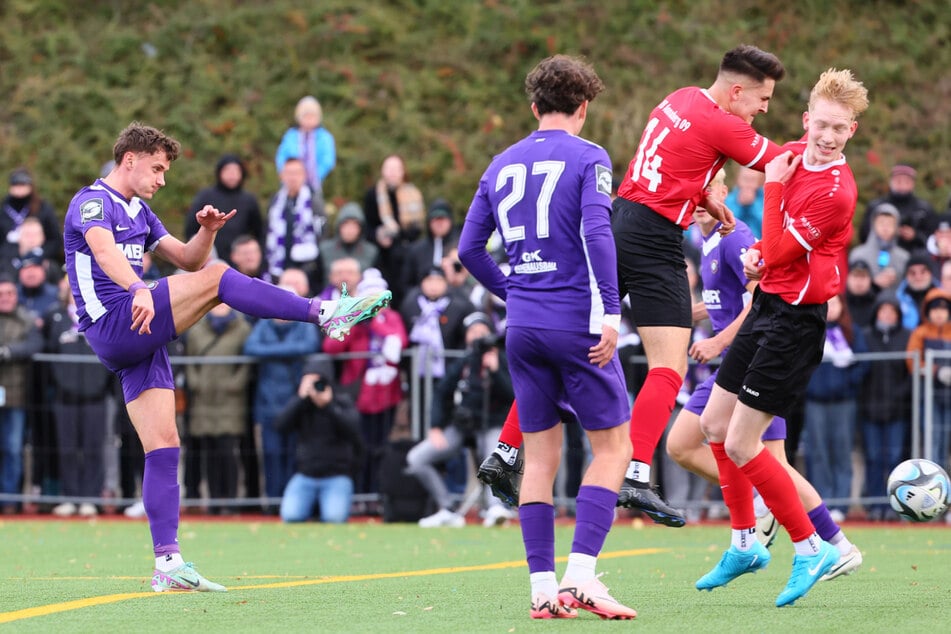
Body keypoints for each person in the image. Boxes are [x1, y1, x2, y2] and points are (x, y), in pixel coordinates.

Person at [62, 123, 390, 592]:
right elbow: (103, 250)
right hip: (114, 320)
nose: (162, 179)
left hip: (139, 331)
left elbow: (189, 261)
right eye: (156, 168)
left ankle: (168, 563)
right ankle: (325, 311)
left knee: (164, 445)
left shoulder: (142, 211)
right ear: (129, 158)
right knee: (219, 280)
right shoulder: (92, 201)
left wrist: (207, 231)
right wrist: (137, 286)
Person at [458, 54, 637, 620]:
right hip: (575, 321)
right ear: (583, 107)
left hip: (525, 326)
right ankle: (581, 574)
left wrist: (512, 291)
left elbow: (468, 250)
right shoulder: (590, 156)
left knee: (539, 459)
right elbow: (596, 231)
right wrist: (611, 313)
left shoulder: (501, 162)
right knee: (614, 447)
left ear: (534, 107)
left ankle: (541, 589)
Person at [695, 68, 868, 607]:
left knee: (748, 444)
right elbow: (767, 256)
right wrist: (755, 257)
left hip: (796, 323)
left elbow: (778, 248)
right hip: (768, 305)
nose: (828, 136)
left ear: (852, 132)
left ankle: (812, 545)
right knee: (712, 425)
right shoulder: (794, 150)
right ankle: (745, 542)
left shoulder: (837, 193)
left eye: (840, 129)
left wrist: (769, 194)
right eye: (822, 124)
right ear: (806, 119)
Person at [610, 45, 787, 524]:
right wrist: (829, 149)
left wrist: (705, 201)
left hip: (620, 220)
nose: (764, 109)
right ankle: (638, 476)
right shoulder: (725, 124)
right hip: (654, 238)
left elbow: (671, 168)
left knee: (571, 344)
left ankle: (506, 451)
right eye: (763, 99)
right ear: (736, 91)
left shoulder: (681, 97)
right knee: (667, 369)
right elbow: (782, 164)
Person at [665, 173, 863, 577]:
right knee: (682, 444)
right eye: (695, 194)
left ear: (725, 194)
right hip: (733, 365)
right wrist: (687, 315)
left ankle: (836, 543)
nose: (700, 201)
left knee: (774, 464)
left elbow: (758, 300)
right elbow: (726, 298)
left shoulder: (737, 236)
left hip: (756, 356)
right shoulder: (707, 243)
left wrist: (719, 341)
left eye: (709, 192)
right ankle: (761, 503)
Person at [406, 313, 515, 529]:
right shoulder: (464, 362)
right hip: (462, 426)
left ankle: (495, 508)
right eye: (472, 332)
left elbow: (513, 395)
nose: (477, 337)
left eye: (482, 332)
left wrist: (495, 371)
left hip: (492, 425)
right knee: (417, 458)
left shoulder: (503, 360)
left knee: (496, 454)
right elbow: (441, 392)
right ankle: (447, 509)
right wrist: (435, 426)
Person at [243, 268, 321, 509]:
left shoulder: (304, 325)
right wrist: (289, 351)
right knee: (272, 456)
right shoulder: (264, 326)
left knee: (295, 456)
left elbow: (309, 346)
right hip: (268, 404)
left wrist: (275, 353)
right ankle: (274, 503)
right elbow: (251, 348)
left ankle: (293, 504)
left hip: (295, 404)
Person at [44, 280, 113, 517]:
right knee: (67, 448)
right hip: (65, 395)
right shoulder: (56, 318)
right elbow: (49, 353)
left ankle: (91, 497)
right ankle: (70, 496)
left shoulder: (101, 314)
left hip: (96, 395)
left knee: (93, 448)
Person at [801, 294, 868, 521]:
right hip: (815, 401)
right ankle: (822, 502)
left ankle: (842, 502)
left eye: (835, 303)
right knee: (817, 452)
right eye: (826, 303)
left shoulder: (851, 332)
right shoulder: (809, 330)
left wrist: (847, 385)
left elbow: (863, 363)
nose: (830, 308)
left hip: (844, 402)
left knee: (842, 451)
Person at [275, 356, 363, 523]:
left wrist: (328, 406)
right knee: (290, 515)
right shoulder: (302, 405)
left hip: (336, 475)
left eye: (318, 382)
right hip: (306, 475)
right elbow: (280, 426)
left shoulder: (341, 401)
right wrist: (300, 400)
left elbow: (354, 430)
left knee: (333, 518)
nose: (315, 387)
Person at [183, 302, 252, 514]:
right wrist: (195, 382)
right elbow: (189, 360)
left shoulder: (243, 329)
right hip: (203, 399)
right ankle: (213, 500)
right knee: (208, 452)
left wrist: (236, 383)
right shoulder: (196, 330)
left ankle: (230, 500)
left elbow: (246, 363)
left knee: (228, 451)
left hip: (230, 399)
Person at [859, 292, 911, 520]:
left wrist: (901, 394)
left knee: (894, 458)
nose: (887, 315)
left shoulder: (907, 336)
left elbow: (911, 372)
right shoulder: (866, 336)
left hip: (897, 409)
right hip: (870, 409)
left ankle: (893, 504)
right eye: (883, 311)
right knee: (873, 457)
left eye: (892, 311)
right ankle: (874, 505)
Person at [0, 274, 43, 514]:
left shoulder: (27, 319)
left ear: (16, 296)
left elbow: (35, 345)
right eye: (1, 294)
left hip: (16, 395)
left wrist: (8, 352)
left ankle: (9, 501)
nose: (5, 298)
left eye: (9, 293)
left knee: (13, 449)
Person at [362, 154, 426, 304]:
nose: (392, 173)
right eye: (389, 168)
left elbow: (417, 229)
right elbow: (368, 226)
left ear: (403, 172)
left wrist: (399, 236)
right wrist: (379, 236)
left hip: (405, 253)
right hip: (381, 256)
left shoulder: (412, 194)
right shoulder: (373, 195)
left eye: (396, 169)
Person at [184, 154, 263, 267]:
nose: (232, 174)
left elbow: (258, 232)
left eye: (236, 171)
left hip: (240, 261)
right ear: (220, 172)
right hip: (210, 258)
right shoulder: (205, 196)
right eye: (228, 170)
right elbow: (191, 229)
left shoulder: (249, 200)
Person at [905, 287, 951, 468]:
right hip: (929, 395)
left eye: (943, 309)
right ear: (927, 312)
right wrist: (936, 371)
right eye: (935, 310)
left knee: (946, 438)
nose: (939, 314)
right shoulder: (920, 332)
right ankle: (933, 475)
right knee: (932, 437)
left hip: (949, 395)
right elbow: (912, 361)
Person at [264, 157, 326, 290]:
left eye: (297, 173)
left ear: (304, 175)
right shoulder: (276, 202)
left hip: (307, 267)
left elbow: (322, 234)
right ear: (282, 176)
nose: (293, 177)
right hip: (279, 264)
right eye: (289, 173)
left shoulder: (314, 201)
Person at [860, 164, 936, 253]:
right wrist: (886, 231)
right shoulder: (877, 207)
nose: (903, 185)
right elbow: (864, 235)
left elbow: (934, 238)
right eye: (899, 181)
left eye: (907, 182)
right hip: (881, 253)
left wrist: (915, 236)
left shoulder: (924, 209)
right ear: (891, 182)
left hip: (915, 257)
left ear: (913, 184)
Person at [0, 168, 62, 275]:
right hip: (8, 262)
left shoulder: (42, 208)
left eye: (23, 184)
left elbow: (56, 239)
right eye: (16, 184)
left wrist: (40, 253)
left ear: (30, 185)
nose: (19, 188)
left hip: (40, 260)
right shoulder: (3, 209)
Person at [275, 96, 336, 194]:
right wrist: (287, 175)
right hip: (290, 184)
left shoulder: (325, 137)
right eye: (306, 116)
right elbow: (281, 156)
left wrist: (315, 176)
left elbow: (328, 161)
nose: (309, 119)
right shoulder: (290, 135)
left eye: (312, 116)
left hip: (314, 184)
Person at [400, 199, 459, 292]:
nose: (439, 223)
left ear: (450, 221)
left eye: (443, 219)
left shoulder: (460, 248)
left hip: (454, 298)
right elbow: (406, 283)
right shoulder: (416, 250)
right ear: (429, 222)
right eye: (435, 219)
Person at [848, 203, 908, 292]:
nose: (885, 228)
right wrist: (872, 283)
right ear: (873, 225)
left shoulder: (904, 257)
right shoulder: (857, 255)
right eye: (881, 223)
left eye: (890, 223)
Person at [318, 202, 379, 284]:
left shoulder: (371, 251)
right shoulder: (325, 250)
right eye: (346, 223)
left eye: (355, 224)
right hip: (331, 296)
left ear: (361, 228)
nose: (350, 229)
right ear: (339, 226)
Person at [896, 250, 938, 330]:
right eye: (912, 273)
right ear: (906, 276)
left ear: (930, 274)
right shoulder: (897, 299)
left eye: (923, 272)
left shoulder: (943, 298)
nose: (918, 277)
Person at [724, 166, 766, 237]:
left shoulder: (764, 200)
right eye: (745, 179)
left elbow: (765, 225)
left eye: (752, 180)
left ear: (759, 182)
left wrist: (753, 205)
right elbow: (727, 224)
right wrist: (740, 205)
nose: (748, 184)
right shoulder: (729, 200)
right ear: (738, 180)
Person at [844, 259, 877, 329]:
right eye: (855, 276)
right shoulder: (839, 304)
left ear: (870, 280)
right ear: (847, 278)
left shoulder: (878, 305)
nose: (859, 281)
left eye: (863, 276)